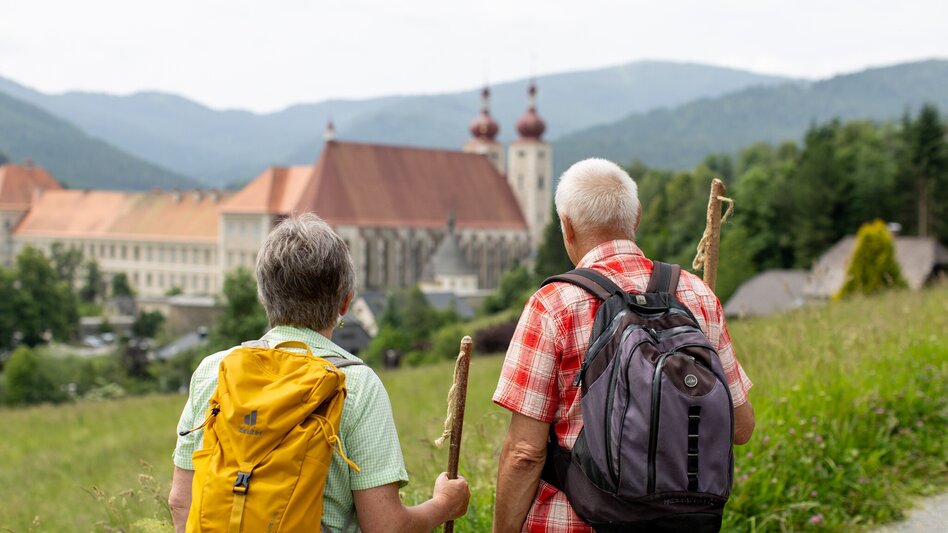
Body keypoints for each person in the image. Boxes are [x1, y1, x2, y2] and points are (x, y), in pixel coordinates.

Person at [492, 158, 755, 533]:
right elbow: (740, 427)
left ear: (566, 226)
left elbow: (524, 453)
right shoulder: (696, 294)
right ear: (637, 217)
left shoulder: (553, 304)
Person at [168, 213, 470, 532]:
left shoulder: (214, 370)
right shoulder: (355, 383)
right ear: (345, 303)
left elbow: (181, 503)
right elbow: (385, 527)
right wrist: (443, 505)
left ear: (263, 296)